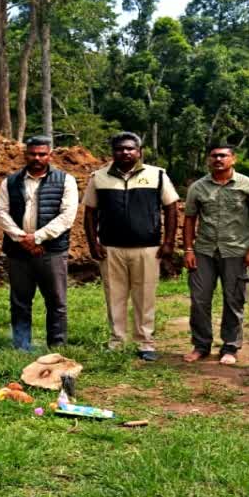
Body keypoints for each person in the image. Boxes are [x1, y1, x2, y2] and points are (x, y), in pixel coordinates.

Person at [83, 132, 179, 362]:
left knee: (145, 296)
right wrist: (93, 242)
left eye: (129, 149)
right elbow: (90, 212)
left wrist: (168, 242)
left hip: (147, 248)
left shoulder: (157, 175)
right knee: (114, 295)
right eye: (119, 149)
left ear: (139, 152)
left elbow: (172, 208)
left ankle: (145, 342)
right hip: (111, 248)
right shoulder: (99, 177)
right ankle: (116, 341)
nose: (125, 153)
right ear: (113, 152)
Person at [181, 144, 249, 366]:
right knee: (199, 300)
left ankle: (230, 346)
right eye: (214, 156)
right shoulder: (198, 187)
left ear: (233, 159)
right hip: (204, 251)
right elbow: (190, 218)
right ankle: (201, 345)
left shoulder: (248, 185)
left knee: (234, 300)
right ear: (208, 160)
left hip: (237, 251)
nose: (218, 159)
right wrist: (188, 249)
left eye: (223, 155)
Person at [0, 136, 78, 351]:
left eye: (42, 154)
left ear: (50, 155)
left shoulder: (65, 180)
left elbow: (67, 215)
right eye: (32, 154)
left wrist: (38, 237)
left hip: (51, 251)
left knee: (56, 302)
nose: (37, 158)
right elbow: (1, 212)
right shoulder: (10, 182)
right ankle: (22, 345)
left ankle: (57, 345)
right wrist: (22, 238)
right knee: (20, 301)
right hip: (18, 251)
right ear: (25, 155)